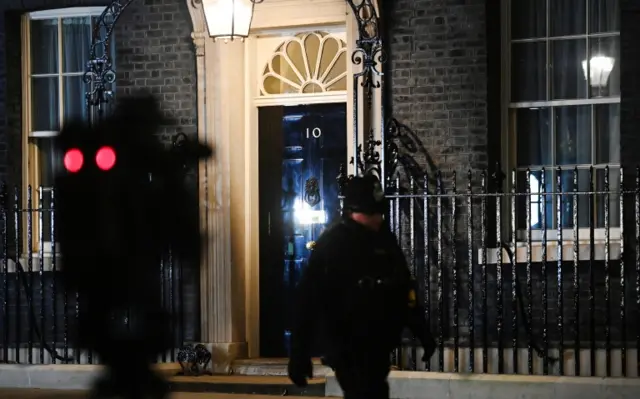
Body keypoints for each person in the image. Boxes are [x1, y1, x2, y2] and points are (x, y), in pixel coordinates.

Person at [287, 174, 437, 399]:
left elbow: (403, 286)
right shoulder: (334, 244)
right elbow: (307, 300)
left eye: (379, 212)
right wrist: (300, 354)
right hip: (348, 345)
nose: (377, 218)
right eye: (370, 212)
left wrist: (422, 330)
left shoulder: (384, 239)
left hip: (378, 342)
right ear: (352, 211)